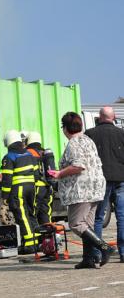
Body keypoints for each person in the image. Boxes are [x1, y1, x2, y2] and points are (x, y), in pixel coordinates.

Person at [51, 112, 114, 269]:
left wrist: (59, 173)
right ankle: (89, 259)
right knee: (88, 224)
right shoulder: (88, 140)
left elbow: (78, 166)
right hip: (96, 187)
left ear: (65, 128)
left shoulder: (73, 143)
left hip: (81, 189)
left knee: (76, 223)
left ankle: (104, 248)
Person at [85, 106, 124, 263]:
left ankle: (98, 253)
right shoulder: (122, 134)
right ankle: (123, 253)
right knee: (122, 217)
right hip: (121, 179)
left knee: (98, 218)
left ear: (99, 118)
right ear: (113, 117)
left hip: (100, 180)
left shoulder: (90, 134)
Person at [1, 130, 39, 254]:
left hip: (19, 190)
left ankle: (29, 245)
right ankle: (37, 241)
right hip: (32, 188)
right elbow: (36, 173)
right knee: (31, 214)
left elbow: (7, 179)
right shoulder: (29, 154)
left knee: (22, 216)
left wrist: (5, 196)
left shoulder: (10, 157)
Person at [26, 131, 54, 225]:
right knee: (45, 214)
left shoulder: (28, 153)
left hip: (36, 188)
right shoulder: (44, 152)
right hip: (48, 187)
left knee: (32, 214)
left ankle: (34, 237)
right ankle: (47, 238)